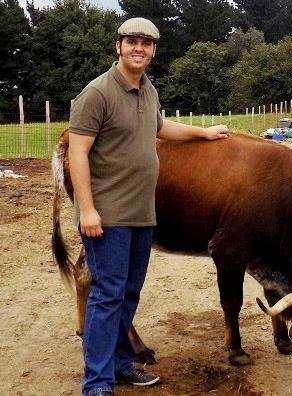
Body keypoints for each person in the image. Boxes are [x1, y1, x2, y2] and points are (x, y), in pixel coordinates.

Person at [68, 17, 230, 396]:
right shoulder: (96, 94)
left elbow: (159, 127)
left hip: (143, 215)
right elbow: (78, 152)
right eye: (132, 42)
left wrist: (203, 132)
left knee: (128, 293)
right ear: (118, 46)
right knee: (107, 296)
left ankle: (123, 365)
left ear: (153, 50)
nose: (139, 48)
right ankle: (97, 382)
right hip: (108, 216)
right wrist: (87, 210)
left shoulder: (147, 90)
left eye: (146, 43)